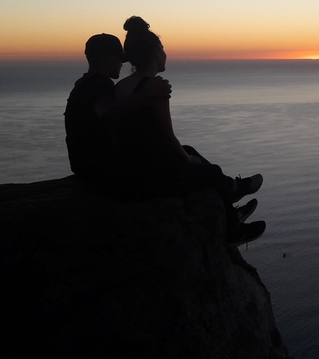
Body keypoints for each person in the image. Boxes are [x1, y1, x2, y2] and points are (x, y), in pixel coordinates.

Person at [114, 16, 265, 246]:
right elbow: (167, 135)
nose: (165, 53)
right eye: (163, 48)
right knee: (208, 170)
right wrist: (187, 159)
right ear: (155, 52)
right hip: (149, 172)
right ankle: (233, 227)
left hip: (131, 164)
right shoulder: (156, 88)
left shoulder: (122, 87)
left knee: (190, 150)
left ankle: (234, 191)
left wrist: (186, 154)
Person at [64, 33, 171, 185]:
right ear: (111, 58)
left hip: (83, 164)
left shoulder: (83, 83)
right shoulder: (99, 84)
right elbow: (107, 114)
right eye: (120, 60)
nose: (122, 64)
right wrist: (145, 94)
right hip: (100, 168)